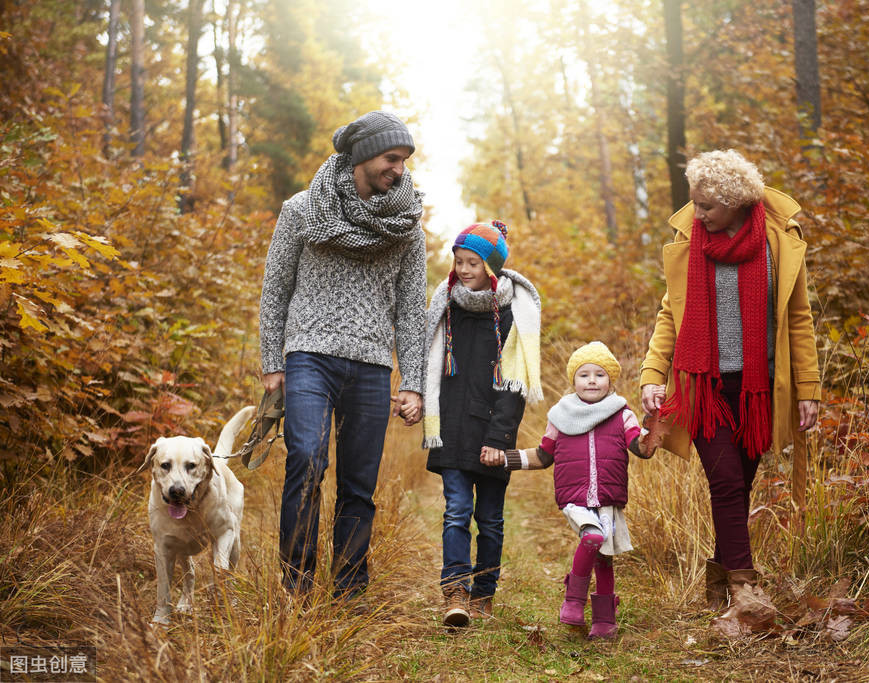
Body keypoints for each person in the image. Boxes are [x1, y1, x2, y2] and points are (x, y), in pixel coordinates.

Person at [639, 149, 821, 610]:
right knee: (724, 481)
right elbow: (669, 314)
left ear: (737, 202)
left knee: (740, 484)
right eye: (696, 203)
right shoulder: (690, 241)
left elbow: (798, 319)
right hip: (703, 387)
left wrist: (809, 390)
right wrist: (652, 373)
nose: (697, 214)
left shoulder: (778, 242)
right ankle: (745, 586)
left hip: (760, 389)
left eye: (708, 207)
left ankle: (718, 577)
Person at [259, 110, 427, 601]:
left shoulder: (406, 228)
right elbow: (276, 288)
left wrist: (412, 381)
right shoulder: (302, 211)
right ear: (362, 156)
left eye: (404, 161)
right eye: (391, 158)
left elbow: (412, 312)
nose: (399, 169)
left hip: (373, 366)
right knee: (307, 460)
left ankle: (350, 588)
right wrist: (273, 362)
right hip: (308, 355)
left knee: (359, 481)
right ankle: (297, 584)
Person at [422, 221, 543, 627]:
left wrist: (499, 439)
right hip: (452, 429)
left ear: (490, 266)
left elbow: (515, 384)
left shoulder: (512, 312)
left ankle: (484, 594)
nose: (464, 268)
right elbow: (430, 366)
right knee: (456, 510)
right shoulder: (446, 306)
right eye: (459, 261)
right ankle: (455, 590)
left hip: (493, 432)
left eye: (473, 261)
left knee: (489, 519)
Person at [498, 341, 652, 639]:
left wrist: (653, 434)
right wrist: (505, 458)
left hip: (607, 498)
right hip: (575, 498)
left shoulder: (622, 414)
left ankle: (604, 620)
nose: (592, 380)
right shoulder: (561, 415)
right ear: (574, 380)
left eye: (599, 374)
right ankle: (573, 598)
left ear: (610, 380)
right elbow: (543, 455)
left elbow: (640, 446)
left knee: (604, 556)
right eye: (584, 375)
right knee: (593, 537)